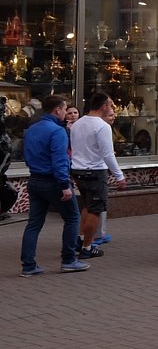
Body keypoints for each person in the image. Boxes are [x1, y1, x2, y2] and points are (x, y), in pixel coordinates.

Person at [20, 95, 88, 276]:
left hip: (34, 180)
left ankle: (28, 265)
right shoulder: (57, 131)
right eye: (65, 109)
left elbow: (26, 155)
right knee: (72, 217)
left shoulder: (32, 129)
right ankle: (68, 259)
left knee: (33, 224)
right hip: (53, 182)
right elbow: (59, 160)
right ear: (57, 110)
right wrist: (65, 184)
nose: (66, 113)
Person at [69, 93, 126, 260]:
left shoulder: (77, 124)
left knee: (87, 206)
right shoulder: (102, 126)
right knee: (95, 210)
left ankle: (80, 240)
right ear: (104, 107)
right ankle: (87, 247)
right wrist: (119, 176)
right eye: (110, 105)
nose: (112, 108)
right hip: (95, 171)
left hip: (78, 169)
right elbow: (108, 154)